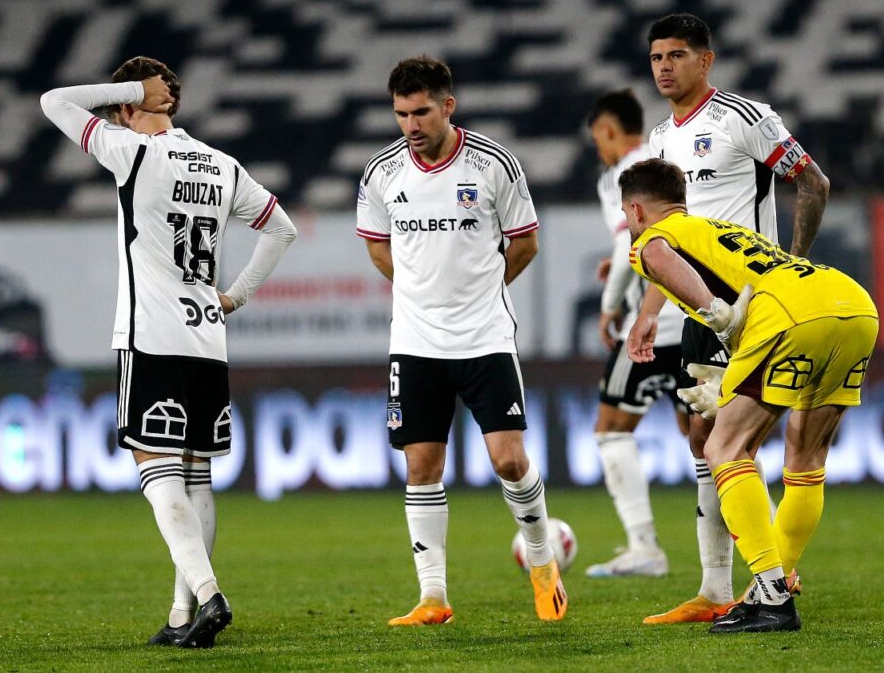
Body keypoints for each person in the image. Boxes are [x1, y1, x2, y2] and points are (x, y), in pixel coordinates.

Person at [40, 56, 297, 647]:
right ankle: (183, 614)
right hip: (208, 336)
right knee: (197, 476)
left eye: (120, 108)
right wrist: (234, 297)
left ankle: (209, 596)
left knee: (155, 471)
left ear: (128, 106)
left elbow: (54, 100)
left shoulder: (133, 153)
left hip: (152, 333)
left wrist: (131, 90)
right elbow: (281, 228)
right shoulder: (221, 165)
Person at [631, 12, 831, 625]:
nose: (665, 67)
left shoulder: (744, 119)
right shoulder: (661, 139)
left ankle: (765, 578)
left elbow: (813, 183)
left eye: (677, 56)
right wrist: (649, 312)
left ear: (705, 60)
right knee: (704, 438)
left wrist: (791, 267)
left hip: (752, 307)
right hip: (700, 309)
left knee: (737, 439)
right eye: (657, 57)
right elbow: (667, 241)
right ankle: (719, 589)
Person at [619, 157, 877, 632]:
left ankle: (773, 600)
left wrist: (714, 313)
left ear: (636, 211)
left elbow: (655, 255)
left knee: (723, 447)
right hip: (852, 303)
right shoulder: (718, 228)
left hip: (788, 315)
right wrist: (730, 384)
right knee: (805, 457)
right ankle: (773, 584)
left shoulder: (652, 238)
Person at [357, 55, 567, 625]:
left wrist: (481, 291)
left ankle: (544, 566)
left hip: (484, 337)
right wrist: (419, 293)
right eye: (401, 114)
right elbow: (377, 245)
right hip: (415, 341)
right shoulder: (381, 172)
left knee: (508, 459)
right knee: (421, 465)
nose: (410, 125)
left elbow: (525, 243)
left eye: (421, 112)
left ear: (447, 106)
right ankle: (433, 597)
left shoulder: (493, 163)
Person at [584, 90, 688, 578]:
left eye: (598, 140)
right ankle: (755, 560)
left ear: (607, 130)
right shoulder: (668, 162)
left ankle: (644, 547)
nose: (599, 151)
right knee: (712, 445)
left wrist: (609, 307)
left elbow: (634, 238)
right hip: (697, 316)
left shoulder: (620, 177)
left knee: (610, 430)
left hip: (652, 321)